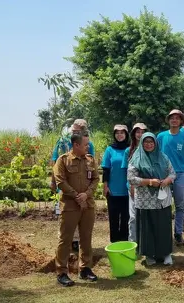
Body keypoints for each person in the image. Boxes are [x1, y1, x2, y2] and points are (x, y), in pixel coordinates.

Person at [53, 132, 100, 287]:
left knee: (86, 238)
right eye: (86, 144)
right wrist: (76, 196)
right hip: (70, 206)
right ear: (76, 145)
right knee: (65, 240)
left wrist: (86, 195)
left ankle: (85, 269)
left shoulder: (90, 160)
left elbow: (95, 179)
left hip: (87, 205)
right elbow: (60, 181)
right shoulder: (63, 160)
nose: (88, 147)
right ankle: (62, 272)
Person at [127, 132, 176, 266]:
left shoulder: (163, 157)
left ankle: (165, 254)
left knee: (163, 227)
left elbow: (172, 173)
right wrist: (148, 181)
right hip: (145, 201)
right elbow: (131, 178)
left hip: (162, 200)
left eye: (151, 142)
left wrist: (167, 180)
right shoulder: (136, 158)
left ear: (155, 143)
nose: (149, 145)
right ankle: (150, 255)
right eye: (146, 142)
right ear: (142, 144)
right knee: (147, 228)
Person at [51, 118, 95, 252]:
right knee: (66, 217)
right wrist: (53, 180)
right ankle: (67, 242)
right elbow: (55, 161)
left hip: (82, 188)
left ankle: (76, 242)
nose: (74, 132)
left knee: (81, 216)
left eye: (78, 130)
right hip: (65, 188)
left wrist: (85, 192)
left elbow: (90, 165)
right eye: (73, 130)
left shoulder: (88, 145)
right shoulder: (62, 142)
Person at [157, 109, 184, 246]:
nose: (174, 120)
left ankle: (178, 234)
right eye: (172, 118)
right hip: (164, 176)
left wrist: (179, 166)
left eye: (177, 118)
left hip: (180, 175)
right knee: (163, 205)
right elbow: (155, 154)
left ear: (181, 121)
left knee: (180, 205)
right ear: (168, 120)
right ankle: (163, 233)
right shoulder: (161, 136)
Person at [102, 124, 130, 242]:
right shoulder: (110, 149)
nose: (119, 135)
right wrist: (105, 186)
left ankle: (124, 242)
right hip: (113, 190)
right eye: (117, 133)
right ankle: (114, 242)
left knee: (125, 218)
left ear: (126, 134)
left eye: (122, 133)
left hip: (128, 190)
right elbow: (106, 169)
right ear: (114, 135)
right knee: (113, 219)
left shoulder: (131, 148)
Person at [123, 123, 148, 243]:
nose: (140, 134)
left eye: (143, 132)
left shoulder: (150, 149)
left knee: (145, 217)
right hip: (133, 188)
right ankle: (133, 243)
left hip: (147, 188)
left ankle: (145, 243)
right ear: (134, 134)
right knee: (133, 217)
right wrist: (131, 186)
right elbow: (126, 172)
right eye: (138, 132)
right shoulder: (129, 151)